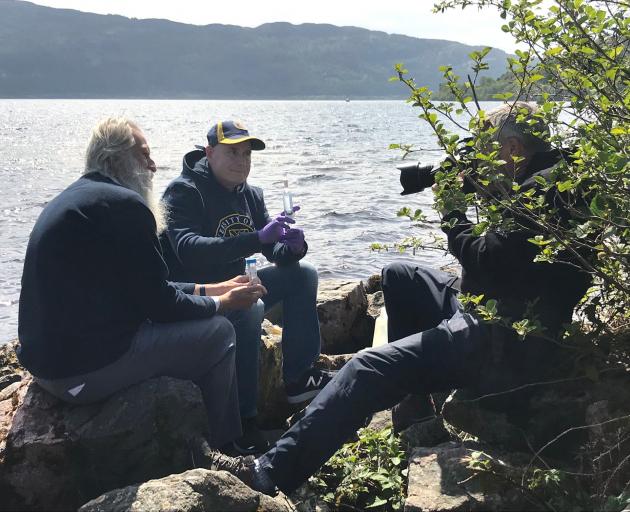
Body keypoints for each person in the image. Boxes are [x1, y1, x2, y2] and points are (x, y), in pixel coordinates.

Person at [195, 102, 592, 495]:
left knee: (366, 368)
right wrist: (492, 189)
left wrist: (453, 209)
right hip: (499, 306)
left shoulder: (542, 194)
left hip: (503, 337)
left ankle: (269, 471)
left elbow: (486, 260)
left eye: (490, 151)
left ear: (514, 149)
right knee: (401, 275)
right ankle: (414, 403)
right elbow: (515, 263)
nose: (484, 159)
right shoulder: (558, 178)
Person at [17, 117, 267, 451]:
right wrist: (224, 303)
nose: (153, 165)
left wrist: (216, 288)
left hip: (48, 366)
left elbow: (147, 287)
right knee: (219, 332)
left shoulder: (84, 199)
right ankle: (227, 446)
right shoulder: (125, 206)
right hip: (80, 373)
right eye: (144, 155)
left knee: (216, 316)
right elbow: (161, 306)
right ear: (116, 158)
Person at [161, 120, 332, 455]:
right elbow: (187, 247)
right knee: (250, 306)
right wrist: (255, 238)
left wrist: (293, 246)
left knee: (304, 273)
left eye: (247, 153)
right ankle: (245, 420)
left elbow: (274, 253)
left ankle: (299, 379)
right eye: (232, 152)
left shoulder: (251, 195)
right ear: (209, 153)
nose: (242, 160)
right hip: (195, 298)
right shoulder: (183, 191)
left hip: (238, 287)